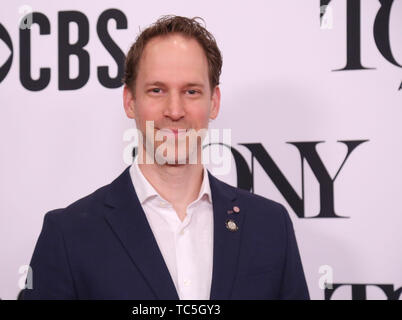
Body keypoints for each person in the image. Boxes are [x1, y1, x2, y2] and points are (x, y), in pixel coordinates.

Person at [22, 15, 309, 300]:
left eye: (191, 91)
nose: (174, 110)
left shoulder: (269, 226)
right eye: (157, 90)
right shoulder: (70, 235)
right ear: (130, 102)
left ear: (214, 102)